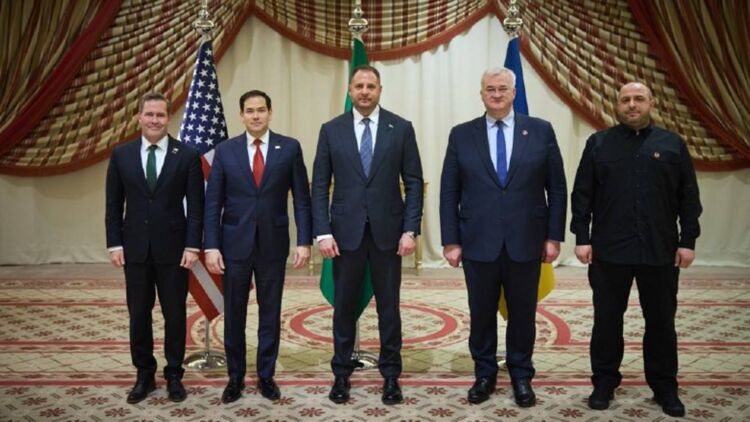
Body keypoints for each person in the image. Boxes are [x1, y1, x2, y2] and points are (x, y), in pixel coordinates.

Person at [570, 82, 702, 417]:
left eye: (638, 99)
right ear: (617, 105)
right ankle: (604, 382)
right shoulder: (599, 143)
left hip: (660, 250)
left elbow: (688, 197)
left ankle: (664, 386)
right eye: (625, 99)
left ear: (651, 103)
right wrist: (582, 237)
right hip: (608, 251)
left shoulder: (672, 144)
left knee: (661, 322)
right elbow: (582, 195)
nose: (632, 105)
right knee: (606, 321)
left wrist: (687, 241)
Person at [439, 67, 567, 407]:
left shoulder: (540, 130)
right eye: (490, 89)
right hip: (477, 241)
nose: (496, 95)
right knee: (481, 313)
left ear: (514, 92)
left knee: (523, 314)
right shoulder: (461, 135)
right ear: (481, 94)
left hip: (526, 241)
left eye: (502, 89)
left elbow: (556, 188)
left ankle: (521, 375)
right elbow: (449, 191)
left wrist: (554, 236)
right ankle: (484, 374)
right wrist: (451, 240)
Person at [311, 64, 423, 405]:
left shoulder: (400, 128)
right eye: (358, 86)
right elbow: (319, 185)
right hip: (344, 237)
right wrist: (322, 232)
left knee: (389, 309)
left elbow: (414, 182)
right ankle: (341, 374)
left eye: (370, 86)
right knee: (344, 308)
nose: (364, 92)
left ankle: (391, 376)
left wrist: (410, 229)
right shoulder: (331, 130)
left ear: (379, 90)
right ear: (350, 90)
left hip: (389, 236)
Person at [204, 90, 312, 403]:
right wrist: (211, 246)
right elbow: (213, 203)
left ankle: (266, 375)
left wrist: (304, 241)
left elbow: (301, 200)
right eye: (250, 111)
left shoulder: (289, 148)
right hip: (233, 246)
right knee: (234, 314)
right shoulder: (225, 150)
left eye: (261, 110)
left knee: (270, 312)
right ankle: (235, 377)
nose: (255, 115)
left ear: (270, 113)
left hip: (272, 245)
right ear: (241, 115)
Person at [105, 92, 204, 404]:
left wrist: (193, 245)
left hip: (175, 251)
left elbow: (197, 207)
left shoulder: (186, 155)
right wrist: (114, 243)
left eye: (160, 115)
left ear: (168, 118)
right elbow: (113, 205)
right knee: (138, 314)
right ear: (139, 117)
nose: (154, 120)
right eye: (149, 114)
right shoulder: (121, 154)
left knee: (175, 315)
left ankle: (174, 374)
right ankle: (144, 374)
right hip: (134, 249)